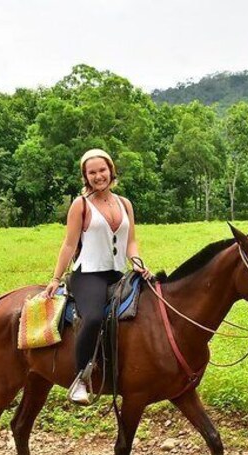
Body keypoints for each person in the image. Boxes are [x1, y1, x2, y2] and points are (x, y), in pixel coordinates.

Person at [44, 149, 150, 405]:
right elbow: (69, 245)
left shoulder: (125, 204)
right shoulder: (80, 205)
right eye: (91, 173)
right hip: (88, 274)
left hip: (117, 272)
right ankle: (81, 378)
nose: (98, 176)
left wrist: (138, 264)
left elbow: (131, 242)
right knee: (92, 317)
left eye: (102, 170)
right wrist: (56, 278)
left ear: (111, 170)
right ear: (85, 176)